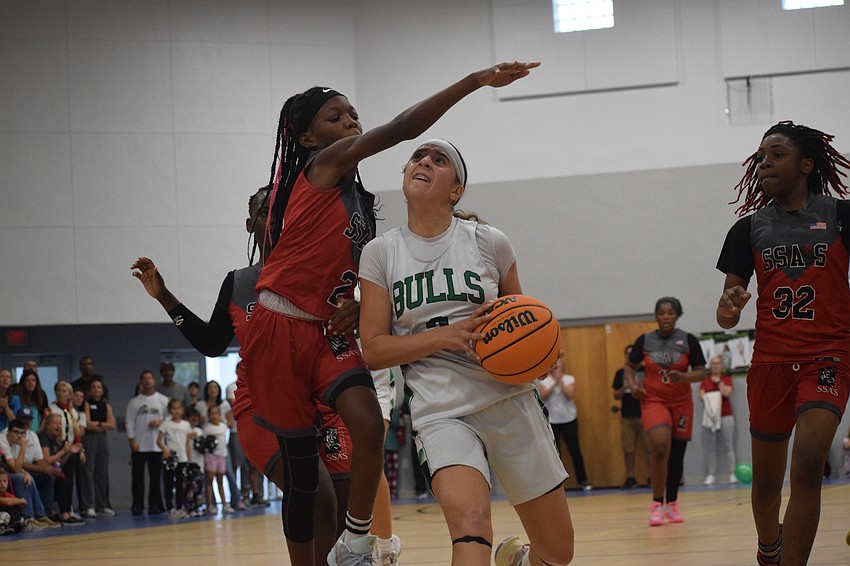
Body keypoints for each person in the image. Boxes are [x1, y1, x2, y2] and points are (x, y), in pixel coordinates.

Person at [242, 60, 539, 566]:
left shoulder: (355, 198)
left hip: (324, 330)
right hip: (278, 326)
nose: (350, 121)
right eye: (335, 117)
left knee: (369, 426)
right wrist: (473, 81)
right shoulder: (323, 166)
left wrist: (359, 304)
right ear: (309, 138)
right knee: (303, 477)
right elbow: (402, 129)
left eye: (353, 113)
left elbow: (345, 271)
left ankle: (358, 541)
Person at [358, 138, 573, 566]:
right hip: (441, 411)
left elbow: (524, 317)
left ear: (456, 190)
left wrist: (542, 353)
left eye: (439, 161)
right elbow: (375, 350)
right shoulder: (381, 252)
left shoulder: (489, 242)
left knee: (557, 553)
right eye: (418, 157)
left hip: (511, 400)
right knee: (472, 525)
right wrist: (446, 337)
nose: (424, 162)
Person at [132, 186, 346, 562]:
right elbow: (213, 343)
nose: (276, 218)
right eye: (266, 212)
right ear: (251, 224)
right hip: (260, 408)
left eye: (283, 210)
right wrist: (165, 296)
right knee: (314, 491)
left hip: (317, 406)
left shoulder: (318, 273)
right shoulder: (239, 283)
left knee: (336, 507)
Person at [716, 121, 850, 566]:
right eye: (762, 155)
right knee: (766, 489)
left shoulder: (840, 217)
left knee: (809, 463)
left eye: (777, 154)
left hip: (828, 356)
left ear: (807, 164)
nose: (765, 162)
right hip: (771, 362)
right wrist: (730, 306)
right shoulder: (747, 229)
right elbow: (725, 314)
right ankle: (768, 547)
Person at [624, 297, 706, 527]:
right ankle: (657, 504)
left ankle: (672, 503)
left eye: (670, 312)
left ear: (677, 315)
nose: (666, 316)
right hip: (654, 400)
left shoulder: (688, 340)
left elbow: (702, 372)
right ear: (656, 316)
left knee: (677, 454)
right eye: (661, 312)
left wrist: (685, 377)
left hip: (681, 403)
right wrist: (632, 386)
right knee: (660, 448)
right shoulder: (645, 340)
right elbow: (629, 367)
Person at [538, 358, 592, 491]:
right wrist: (555, 381)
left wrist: (560, 382)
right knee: (556, 454)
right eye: (555, 366)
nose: (557, 368)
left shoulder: (569, 379)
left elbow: (570, 394)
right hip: (552, 421)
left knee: (575, 451)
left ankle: (583, 481)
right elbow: (543, 396)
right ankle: (558, 485)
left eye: (560, 365)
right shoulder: (543, 380)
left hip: (569, 419)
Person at [0, 415, 58, 528]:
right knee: (20, 478)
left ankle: (41, 514)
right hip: (3, 473)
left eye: (22, 433)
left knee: (29, 477)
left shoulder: (17, 441)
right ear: (8, 433)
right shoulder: (3, 440)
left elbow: (16, 464)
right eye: (16, 433)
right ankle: (28, 517)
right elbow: (15, 468)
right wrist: (23, 448)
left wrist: (26, 472)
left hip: (6, 471)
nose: (19, 437)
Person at [125, 370, 169, 516]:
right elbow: (129, 422)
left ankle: (154, 505)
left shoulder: (162, 400)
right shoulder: (134, 402)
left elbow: (171, 419)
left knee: (155, 478)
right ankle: (137, 505)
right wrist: (132, 440)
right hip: (139, 445)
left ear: (154, 381)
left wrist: (159, 422)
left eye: (150, 378)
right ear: (140, 382)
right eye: (144, 379)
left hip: (157, 445)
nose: (147, 381)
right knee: (137, 478)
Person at [612, 345, 652, 489]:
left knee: (650, 448)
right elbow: (615, 395)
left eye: (633, 353)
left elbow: (654, 390)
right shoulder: (620, 373)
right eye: (628, 354)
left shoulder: (646, 371)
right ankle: (630, 477)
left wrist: (641, 386)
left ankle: (651, 477)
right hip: (627, 416)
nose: (631, 356)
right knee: (628, 449)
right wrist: (626, 385)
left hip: (645, 414)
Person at [39, 413, 85, 525]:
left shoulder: (56, 441)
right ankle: (62, 513)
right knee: (62, 481)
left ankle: (67, 511)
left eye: (60, 423)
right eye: (55, 423)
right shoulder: (43, 437)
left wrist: (69, 453)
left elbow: (59, 463)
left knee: (67, 478)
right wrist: (63, 451)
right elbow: (47, 460)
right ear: (47, 425)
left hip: (52, 471)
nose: (58, 426)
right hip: (40, 471)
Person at [699, 356, 737, 485]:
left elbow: (727, 393)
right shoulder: (705, 381)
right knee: (711, 448)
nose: (715, 366)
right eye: (713, 364)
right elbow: (702, 396)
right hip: (711, 418)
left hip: (726, 415)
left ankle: (732, 473)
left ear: (721, 365)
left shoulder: (726, 379)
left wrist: (719, 382)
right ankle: (711, 474)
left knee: (729, 445)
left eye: (718, 363)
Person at [81, 378, 116, 516]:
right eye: (94, 387)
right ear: (90, 390)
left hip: (103, 439)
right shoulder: (87, 404)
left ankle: (103, 505)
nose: (96, 389)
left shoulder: (105, 405)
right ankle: (88, 505)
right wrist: (102, 425)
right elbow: (88, 424)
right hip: (89, 439)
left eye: (99, 387)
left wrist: (99, 425)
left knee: (102, 472)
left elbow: (112, 424)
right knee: (88, 472)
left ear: (102, 390)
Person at [157, 399, 193, 519]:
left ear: (182, 410)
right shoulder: (166, 424)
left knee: (180, 484)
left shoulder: (186, 425)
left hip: (182, 459)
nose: (176, 411)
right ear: (170, 410)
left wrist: (188, 458)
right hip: (171, 459)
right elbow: (159, 440)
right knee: (168, 484)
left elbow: (187, 443)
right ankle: (170, 508)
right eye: (174, 408)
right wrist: (165, 449)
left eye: (179, 408)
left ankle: (179, 507)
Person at [202, 405, 230, 515]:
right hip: (211, 457)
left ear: (220, 415)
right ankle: (210, 505)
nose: (214, 416)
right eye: (212, 414)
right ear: (208, 416)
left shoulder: (223, 426)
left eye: (216, 413)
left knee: (220, 481)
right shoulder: (207, 428)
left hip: (222, 456)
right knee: (209, 481)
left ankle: (224, 505)